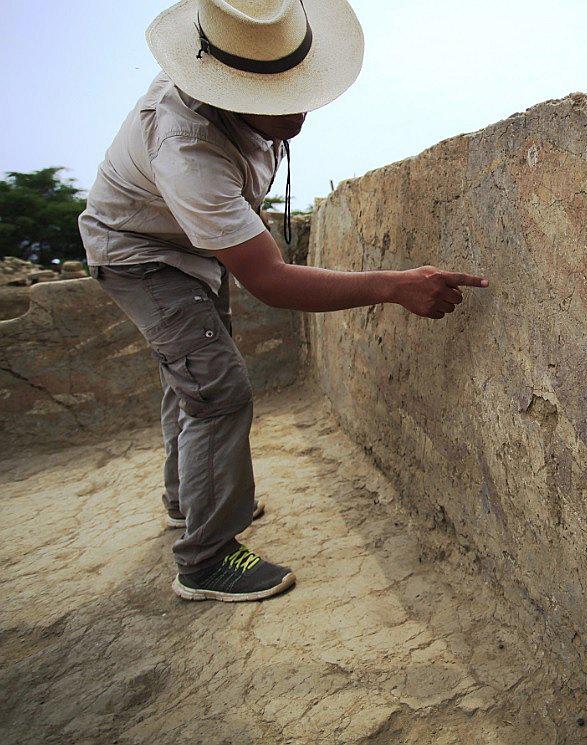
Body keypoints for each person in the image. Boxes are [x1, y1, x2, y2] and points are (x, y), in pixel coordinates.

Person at [79, 0, 489, 603]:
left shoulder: (229, 73)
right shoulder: (185, 145)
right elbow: (268, 281)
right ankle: (206, 558)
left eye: (298, 87)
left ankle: (187, 498)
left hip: (192, 245)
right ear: (222, 91)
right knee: (215, 389)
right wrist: (395, 285)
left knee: (189, 374)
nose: (296, 113)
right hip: (139, 253)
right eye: (272, 100)